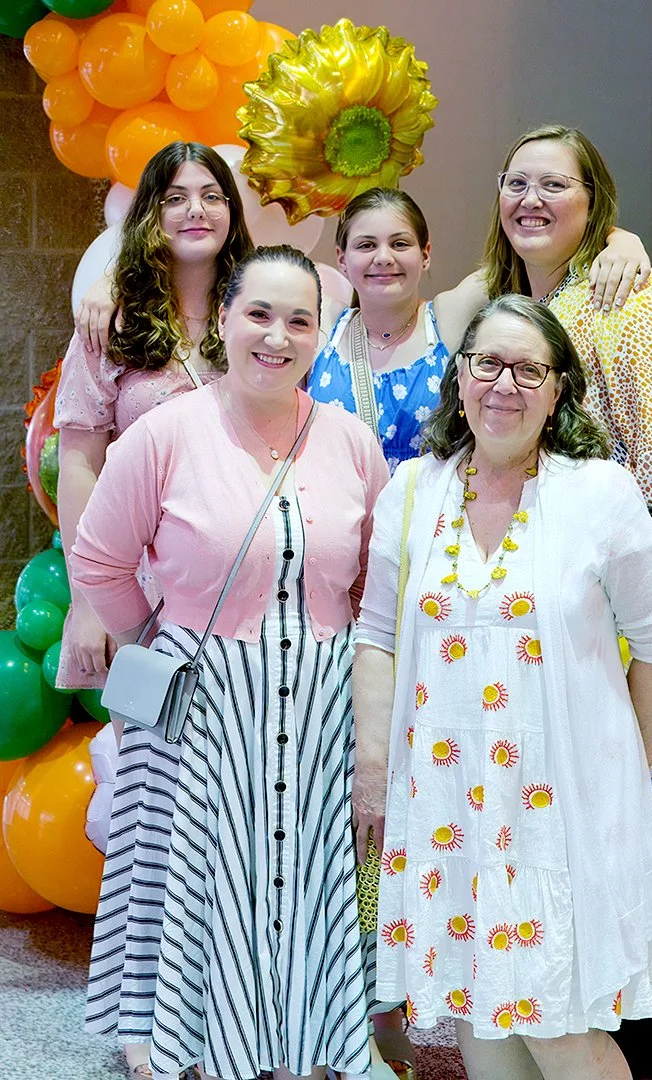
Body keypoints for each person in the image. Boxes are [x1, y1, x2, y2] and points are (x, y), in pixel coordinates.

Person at [71, 245, 390, 1080]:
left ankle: (300, 1038)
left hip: (316, 702)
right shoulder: (164, 432)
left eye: (299, 320)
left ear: (322, 335)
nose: (276, 336)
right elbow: (98, 559)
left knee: (296, 869)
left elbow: (376, 584)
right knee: (183, 869)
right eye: (259, 313)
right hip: (197, 701)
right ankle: (170, 1032)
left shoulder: (352, 443)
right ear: (222, 320)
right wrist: (161, 639)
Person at [351, 294, 652, 1080]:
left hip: (557, 815)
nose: (506, 384)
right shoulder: (412, 491)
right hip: (446, 812)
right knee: (480, 1026)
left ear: (558, 388)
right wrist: (374, 774)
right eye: (487, 363)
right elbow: (376, 638)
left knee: (561, 1029)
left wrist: (625, 770)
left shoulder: (597, 491)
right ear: (459, 377)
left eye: (529, 369)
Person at [481, 124, 652, 1076]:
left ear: (595, 200)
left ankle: (650, 1054)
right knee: (577, 853)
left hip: (632, 648)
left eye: (556, 184)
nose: (531, 199)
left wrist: (651, 658)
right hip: (548, 648)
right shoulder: (519, 304)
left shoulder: (636, 306)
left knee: (621, 856)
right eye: (516, 182)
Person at [55, 140, 253, 693]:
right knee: (150, 760)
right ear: (151, 215)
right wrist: (89, 601)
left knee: (239, 765)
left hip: (243, 584)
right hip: (135, 588)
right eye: (176, 198)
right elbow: (79, 466)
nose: (196, 210)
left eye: (212, 196)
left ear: (231, 214)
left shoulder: (259, 322)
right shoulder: (110, 324)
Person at [306, 187, 651, 471]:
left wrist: (621, 239)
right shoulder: (323, 324)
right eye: (366, 245)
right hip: (343, 538)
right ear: (341, 258)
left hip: (433, 531)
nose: (383, 257)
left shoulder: (448, 318)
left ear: (425, 254)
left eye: (400, 244)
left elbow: (531, 241)